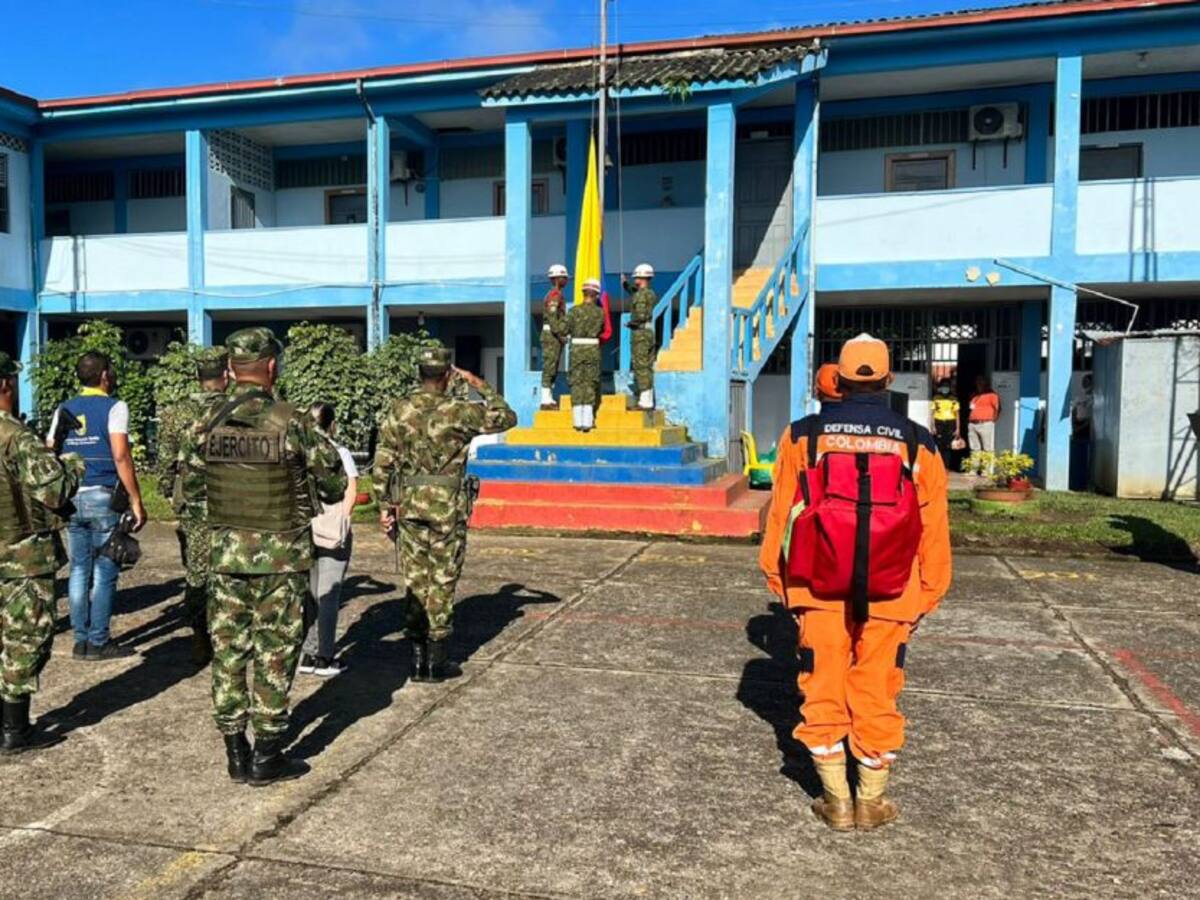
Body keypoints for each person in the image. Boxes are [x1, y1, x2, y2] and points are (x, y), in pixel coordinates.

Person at [759, 333, 951, 832]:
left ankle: (836, 801)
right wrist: (928, 592)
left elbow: (781, 513)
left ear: (836, 379)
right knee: (877, 686)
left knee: (822, 683)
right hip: (895, 588)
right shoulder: (918, 441)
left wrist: (778, 579)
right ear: (889, 380)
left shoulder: (802, 435)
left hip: (815, 583)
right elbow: (933, 526)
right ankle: (872, 800)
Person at [177, 327, 346, 786]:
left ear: (232, 369)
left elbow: (190, 495)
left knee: (229, 650)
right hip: (281, 557)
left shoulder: (204, 425)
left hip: (226, 555)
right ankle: (267, 755)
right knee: (275, 649)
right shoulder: (293, 421)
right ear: (272, 366)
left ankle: (236, 752)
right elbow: (335, 485)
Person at [375, 348, 516, 682]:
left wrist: (384, 505)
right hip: (447, 506)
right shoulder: (460, 411)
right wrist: (478, 383)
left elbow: (384, 460)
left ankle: (417, 658)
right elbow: (506, 416)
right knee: (442, 577)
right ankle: (436, 661)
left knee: (414, 579)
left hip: (410, 503)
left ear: (420, 373)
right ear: (447, 375)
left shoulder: (400, 409)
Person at [0, 352, 84, 754]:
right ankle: (15, 729)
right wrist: (71, 464)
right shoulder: (16, 437)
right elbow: (53, 491)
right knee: (25, 638)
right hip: (21, 558)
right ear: (5, 385)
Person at [48, 351, 147, 661]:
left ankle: (80, 640)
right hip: (104, 495)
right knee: (105, 570)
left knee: (79, 568)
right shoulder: (115, 407)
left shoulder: (63, 408)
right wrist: (136, 499)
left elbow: (50, 448)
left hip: (73, 497)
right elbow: (120, 454)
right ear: (105, 375)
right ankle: (99, 640)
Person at [158, 347, 229, 666]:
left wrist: (166, 490)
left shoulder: (176, 412)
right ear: (225, 375)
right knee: (232, 569)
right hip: (234, 502)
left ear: (198, 376)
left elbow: (166, 462)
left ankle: (201, 637)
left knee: (197, 571)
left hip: (192, 504)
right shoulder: (237, 408)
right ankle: (230, 636)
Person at [298, 402, 358, 678]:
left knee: (309, 594)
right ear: (332, 423)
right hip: (332, 528)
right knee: (329, 594)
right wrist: (342, 519)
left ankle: (307, 652)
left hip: (305, 526)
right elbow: (352, 490)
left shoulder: (300, 451)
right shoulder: (339, 452)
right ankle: (325, 655)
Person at [567, 279, 605, 431]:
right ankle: (588, 421)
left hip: (576, 348)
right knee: (590, 382)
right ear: (596, 295)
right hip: (592, 349)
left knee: (576, 382)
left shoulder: (573, 311)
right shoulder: (600, 312)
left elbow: (565, 328)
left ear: (583, 293)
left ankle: (577, 420)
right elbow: (602, 329)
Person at [623, 263, 658, 411]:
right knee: (647, 367)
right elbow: (634, 293)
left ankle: (645, 402)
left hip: (641, 334)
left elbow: (641, 315)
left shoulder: (642, 295)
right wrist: (625, 284)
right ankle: (647, 399)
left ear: (641, 278)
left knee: (641, 365)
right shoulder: (648, 293)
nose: (635, 279)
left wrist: (631, 323)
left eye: (636, 277)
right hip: (648, 333)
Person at [540, 264, 570, 410]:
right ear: (557, 279)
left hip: (553, 335)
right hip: (551, 336)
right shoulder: (555, 295)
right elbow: (552, 317)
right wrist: (560, 334)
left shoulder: (555, 294)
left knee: (553, 367)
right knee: (550, 367)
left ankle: (549, 398)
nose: (566, 280)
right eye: (564, 277)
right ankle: (545, 400)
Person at [930, 377, 962, 466]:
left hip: (950, 423)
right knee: (939, 445)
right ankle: (938, 465)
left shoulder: (954, 398)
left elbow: (957, 415)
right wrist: (932, 426)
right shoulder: (936, 398)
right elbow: (932, 413)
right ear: (940, 387)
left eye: (947, 386)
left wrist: (958, 428)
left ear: (950, 387)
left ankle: (946, 466)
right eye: (943, 386)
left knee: (948, 446)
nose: (945, 388)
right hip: (938, 422)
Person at [967, 374, 1001, 456]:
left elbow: (997, 408)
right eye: (977, 381)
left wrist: (993, 420)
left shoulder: (992, 395)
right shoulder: (974, 395)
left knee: (987, 449)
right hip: (972, 424)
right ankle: (974, 468)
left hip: (985, 424)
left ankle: (986, 469)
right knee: (974, 449)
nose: (979, 383)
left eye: (981, 381)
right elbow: (971, 408)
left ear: (986, 383)